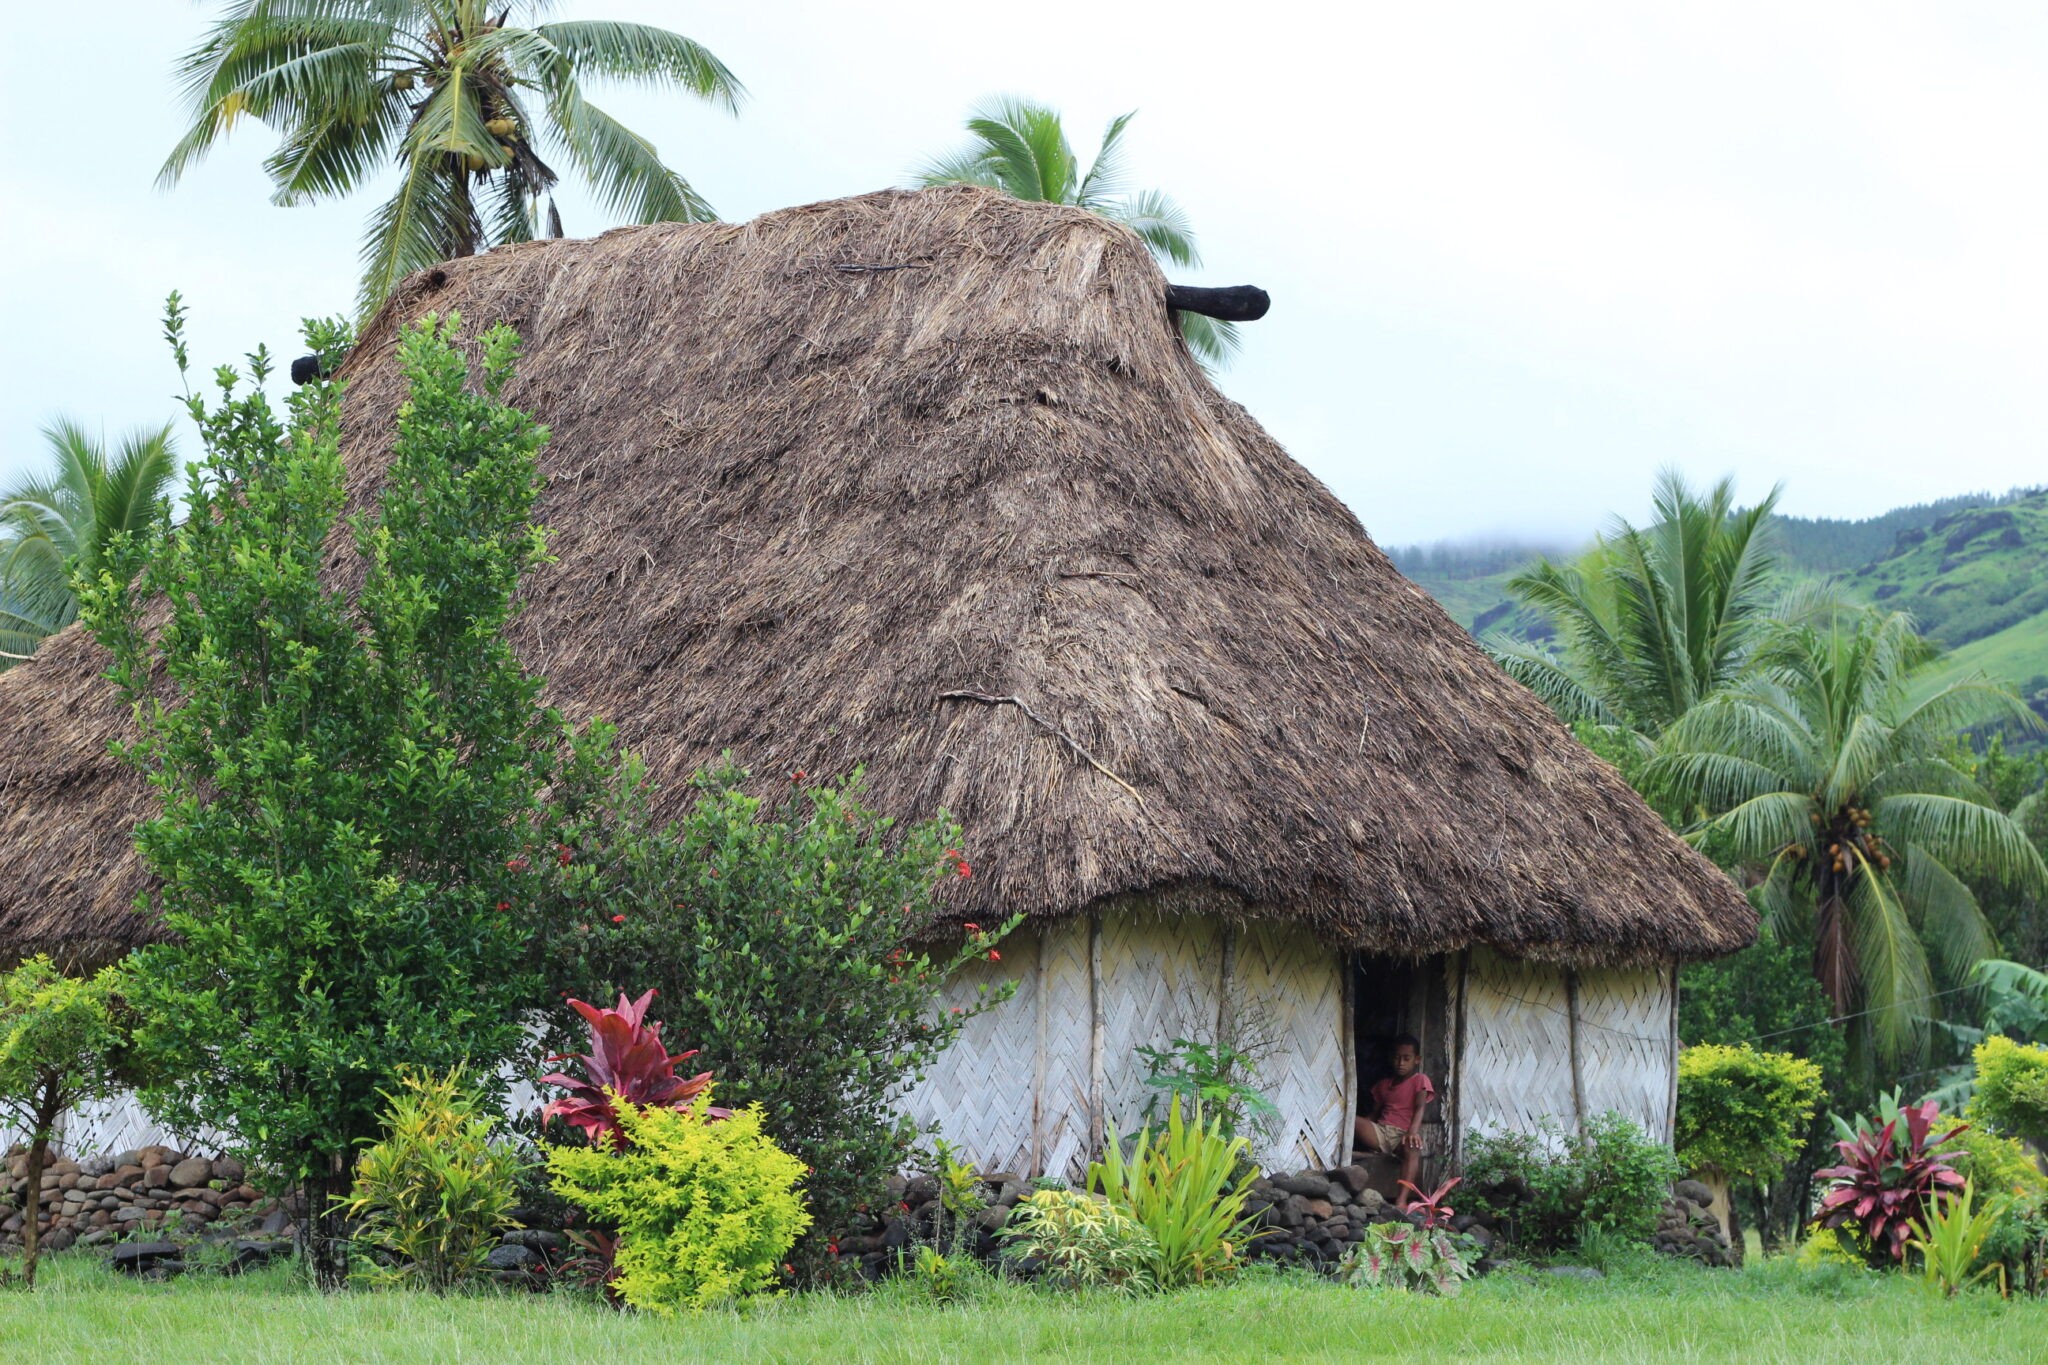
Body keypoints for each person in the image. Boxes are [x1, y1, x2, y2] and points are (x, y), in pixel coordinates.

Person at [1354, 1034, 1435, 1202]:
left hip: (1402, 1135)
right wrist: (1361, 1131)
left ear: (1417, 1060)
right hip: (1380, 1132)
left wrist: (1412, 1132)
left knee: (1413, 1148)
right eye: (1397, 1058)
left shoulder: (1420, 1080)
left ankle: (1401, 1201)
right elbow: (1373, 1115)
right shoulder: (1383, 1085)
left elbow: (1420, 1107)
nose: (1401, 1063)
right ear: (1391, 1059)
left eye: (1407, 1058)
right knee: (1351, 1121)